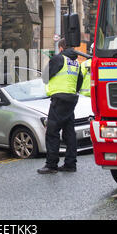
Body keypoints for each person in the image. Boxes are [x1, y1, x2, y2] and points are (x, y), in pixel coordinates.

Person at [37, 39, 83, 174]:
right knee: (69, 133)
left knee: (52, 132)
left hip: (59, 99)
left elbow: (45, 77)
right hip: (71, 99)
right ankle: (70, 164)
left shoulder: (58, 59)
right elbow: (79, 82)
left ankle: (51, 165)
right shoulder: (75, 63)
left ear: (61, 48)